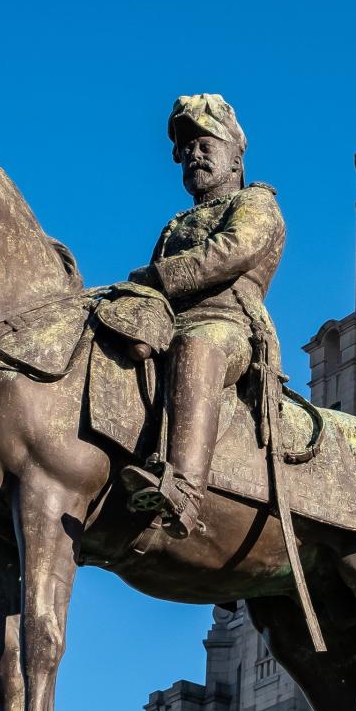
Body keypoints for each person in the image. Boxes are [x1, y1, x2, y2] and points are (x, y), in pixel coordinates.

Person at [120, 94, 284, 539]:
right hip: (167, 320)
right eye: (186, 151)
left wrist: (159, 276)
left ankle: (185, 492)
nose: (193, 156)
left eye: (205, 146)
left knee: (199, 346)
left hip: (229, 325)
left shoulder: (255, 203)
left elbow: (231, 252)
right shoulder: (175, 224)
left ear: (235, 154)